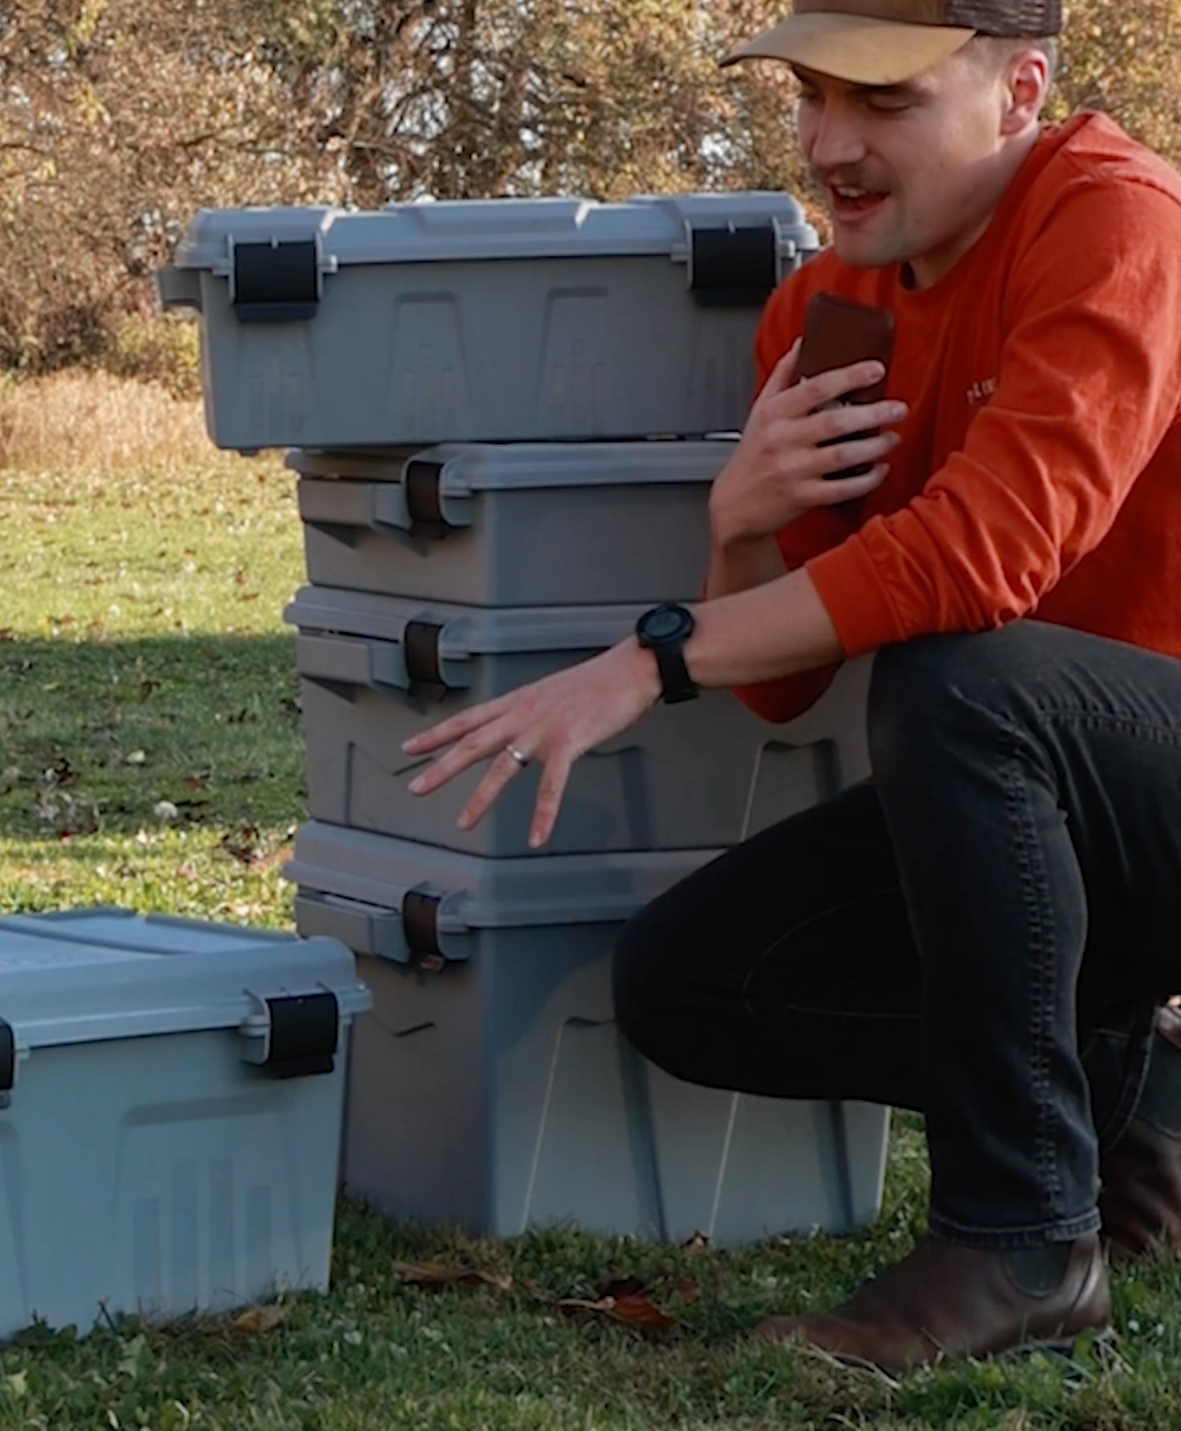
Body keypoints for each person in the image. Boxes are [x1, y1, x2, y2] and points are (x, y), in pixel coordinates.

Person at [401, 0, 1181, 1376]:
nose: (831, 144)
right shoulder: (831, 313)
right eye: (813, 98)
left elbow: (987, 555)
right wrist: (738, 529)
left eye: (883, 105)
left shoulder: (1121, 224)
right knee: (689, 976)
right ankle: (1127, 1091)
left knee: (961, 680)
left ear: (1019, 91)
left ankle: (1021, 1236)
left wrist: (649, 657)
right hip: (1055, 825)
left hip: (1142, 778)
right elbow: (789, 682)